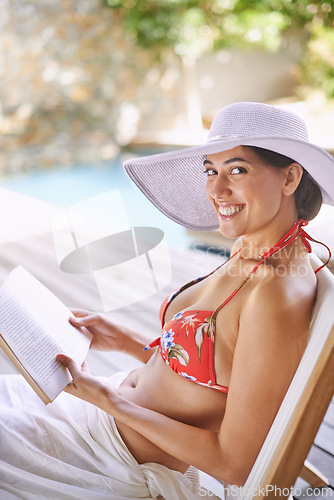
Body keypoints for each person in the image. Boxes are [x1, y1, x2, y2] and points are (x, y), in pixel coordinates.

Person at [0, 102, 333, 500]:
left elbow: (236, 464)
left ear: (290, 177)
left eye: (237, 170)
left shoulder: (276, 296)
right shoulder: (254, 249)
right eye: (211, 170)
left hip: (110, 458)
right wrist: (126, 341)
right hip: (99, 414)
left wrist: (109, 401)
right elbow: (213, 374)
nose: (215, 189)